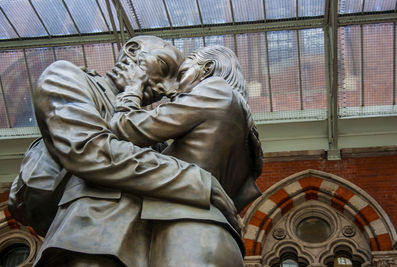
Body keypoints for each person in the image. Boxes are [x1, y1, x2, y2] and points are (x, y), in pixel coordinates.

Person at [31, 36, 239, 267]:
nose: (169, 88)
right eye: (164, 67)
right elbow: (90, 151)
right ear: (132, 51)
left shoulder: (147, 125)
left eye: (176, 78)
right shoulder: (66, 77)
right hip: (90, 242)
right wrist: (197, 181)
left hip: (150, 249)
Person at [109, 45, 263, 267]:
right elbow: (185, 163)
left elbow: (126, 129)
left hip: (187, 233)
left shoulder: (214, 90)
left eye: (182, 74)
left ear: (207, 68)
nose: (174, 88)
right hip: (217, 236)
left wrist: (131, 91)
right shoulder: (243, 131)